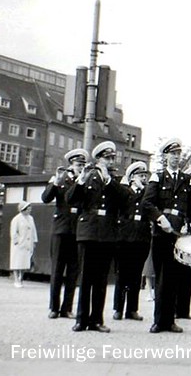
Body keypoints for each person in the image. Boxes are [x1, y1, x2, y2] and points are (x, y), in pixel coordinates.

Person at [142, 137, 191, 334]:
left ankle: (170, 320)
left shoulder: (186, 180)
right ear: (165, 156)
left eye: (178, 154)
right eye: (172, 154)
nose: (176, 157)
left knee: (174, 277)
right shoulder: (157, 178)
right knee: (161, 278)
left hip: (179, 235)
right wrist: (160, 219)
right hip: (162, 233)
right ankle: (159, 320)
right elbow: (147, 204)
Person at [66, 141, 125, 333]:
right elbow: (70, 199)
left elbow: (127, 199)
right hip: (89, 232)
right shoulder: (88, 177)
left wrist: (109, 181)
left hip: (107, 234)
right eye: (106, 158)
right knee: (86, 278)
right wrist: (80, 181)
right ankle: (81, 319)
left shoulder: (113, 180)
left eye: (111, 158)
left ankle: (97, 320)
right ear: (98, 159)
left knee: (101, 280)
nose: (109, 161)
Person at [41, 148, 88, 318]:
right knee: (58, 270)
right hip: (61, 230)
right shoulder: (60, 179)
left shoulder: (83, 182)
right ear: (71, 165)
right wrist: (54, 182)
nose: (81, 168)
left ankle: (66, 308)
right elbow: (45, 198)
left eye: (83, 165)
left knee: (73, 272)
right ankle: (54, 308)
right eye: (78, 165)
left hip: (77, 231)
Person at [112, 161, 151, 322]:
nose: (143, 178)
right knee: (122, 274)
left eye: (144, 176)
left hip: (141, 237)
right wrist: (137, 189)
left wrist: (143, 190)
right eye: (140, 176)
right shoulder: (125, 192)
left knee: (136, 275)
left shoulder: (147, 193)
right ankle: (118, 308)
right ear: (132, 177)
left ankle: (132, 309)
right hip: (124, 237)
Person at [10, 201, 38, 288]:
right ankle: (16, 279)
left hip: (27, 244)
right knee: (16, 262)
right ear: (23, 209)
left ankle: (21, 278)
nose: (30, 210)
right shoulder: (16, 219)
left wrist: (34, 241)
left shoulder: (31, 218)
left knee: (25, 262)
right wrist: (16, 241)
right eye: (28, 208)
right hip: (19, 244)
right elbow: (13, 231)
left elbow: (33, 230)